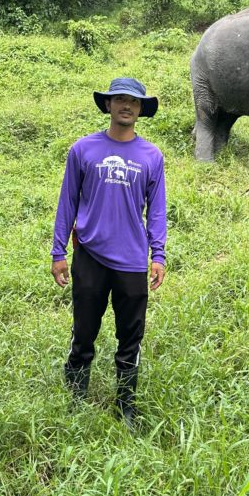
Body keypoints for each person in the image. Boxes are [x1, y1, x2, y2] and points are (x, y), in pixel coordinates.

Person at [51, 77, 166, 427]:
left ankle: (126, 405)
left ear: (140, 109)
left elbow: (157, 210)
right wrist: (58, 253)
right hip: (90, 256)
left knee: (131, 337)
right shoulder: (83, 150)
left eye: (133, 101)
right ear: (108, 105)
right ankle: (76, 398)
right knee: (84, 331)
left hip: (132, 261)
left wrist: (158, 255)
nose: (126, 106)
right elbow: (66, 202)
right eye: (119, 99)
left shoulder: (152, 156)